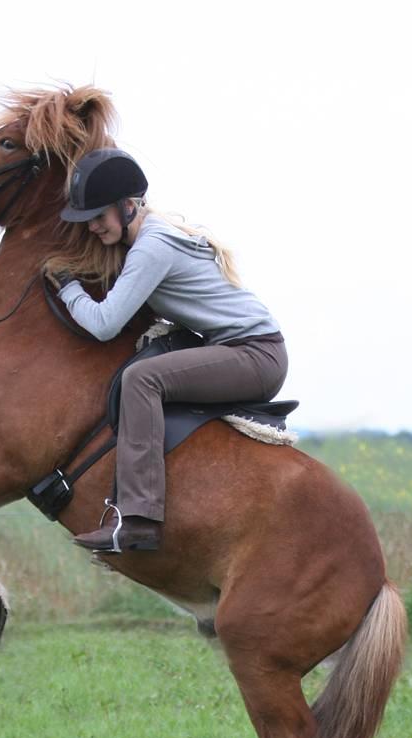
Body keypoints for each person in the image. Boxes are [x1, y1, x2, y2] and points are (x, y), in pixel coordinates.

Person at [46, 148, 288, 553]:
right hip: (245, 349)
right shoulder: (152, 235)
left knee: (142, 378)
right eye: (87, 221)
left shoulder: (152, 247)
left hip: (255, 356)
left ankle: (139, 520)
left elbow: (105, 325)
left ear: (127, 207)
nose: (92, 228)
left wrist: (68, 285)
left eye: (98, 217)